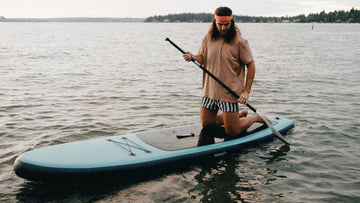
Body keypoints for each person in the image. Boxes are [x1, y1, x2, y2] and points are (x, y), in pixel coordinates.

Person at [183, 6, 265, 136]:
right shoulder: (207, 38)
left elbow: (251, 65)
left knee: (232, 132)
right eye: (219, 24)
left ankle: (254, 117)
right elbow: (202, 58)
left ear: (231, 23)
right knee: (207, 124)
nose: (223, 28)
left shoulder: (239, 42)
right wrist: (192, 57)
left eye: (226, 24)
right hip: (210, 90)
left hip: (229, 93)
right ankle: (237, 116)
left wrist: (246, 91)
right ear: (214, 22)